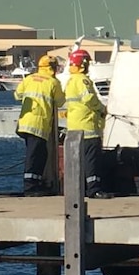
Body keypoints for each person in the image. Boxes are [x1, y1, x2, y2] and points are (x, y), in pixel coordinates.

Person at [65, 49, 114, 199]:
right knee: (92, 160)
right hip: (88, 126)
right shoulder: (82, 80)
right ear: (84, 64)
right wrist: (101, 108)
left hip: (75, 125)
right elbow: (89, 98)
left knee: (80, 161)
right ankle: (94, 189)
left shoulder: (71, 80)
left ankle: (84, 189)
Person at [15, 55, 66, 197]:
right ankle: (30, 187)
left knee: (39, 154)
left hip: (25, 122)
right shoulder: (53, 82)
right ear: (53, 68)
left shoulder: (29, 78)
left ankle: (35, 183)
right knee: (35, 156)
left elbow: (17, 95)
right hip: (39, 125)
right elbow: (60, 101)